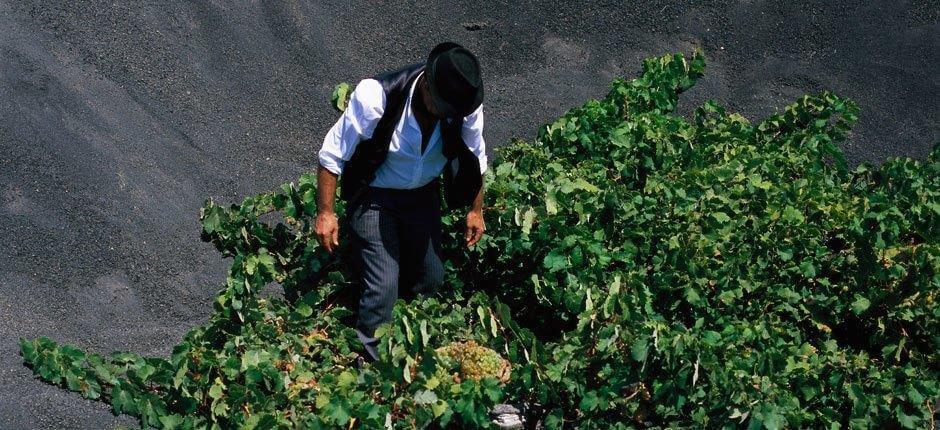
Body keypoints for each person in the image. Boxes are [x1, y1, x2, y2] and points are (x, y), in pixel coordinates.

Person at [315, 42, 487, 362]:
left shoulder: (463, 108)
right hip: (375, 195)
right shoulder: (377, 97)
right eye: (443, 108)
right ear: (427, 85)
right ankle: (371, 360)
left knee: (432, 279)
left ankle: (414, 346)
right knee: (383, 286)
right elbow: (331, 155)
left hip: (422, 194)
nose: (447, 117)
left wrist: (476, 210)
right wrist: (326, 212)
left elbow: (476, 158)